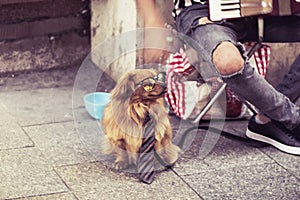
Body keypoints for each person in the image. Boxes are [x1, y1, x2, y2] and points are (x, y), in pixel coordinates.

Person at [136, 0, 300, 155]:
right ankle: (293, 120)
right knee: (227, 60)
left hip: (268, 10)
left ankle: (268, 119)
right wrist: (151, 20)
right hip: (202, 11)